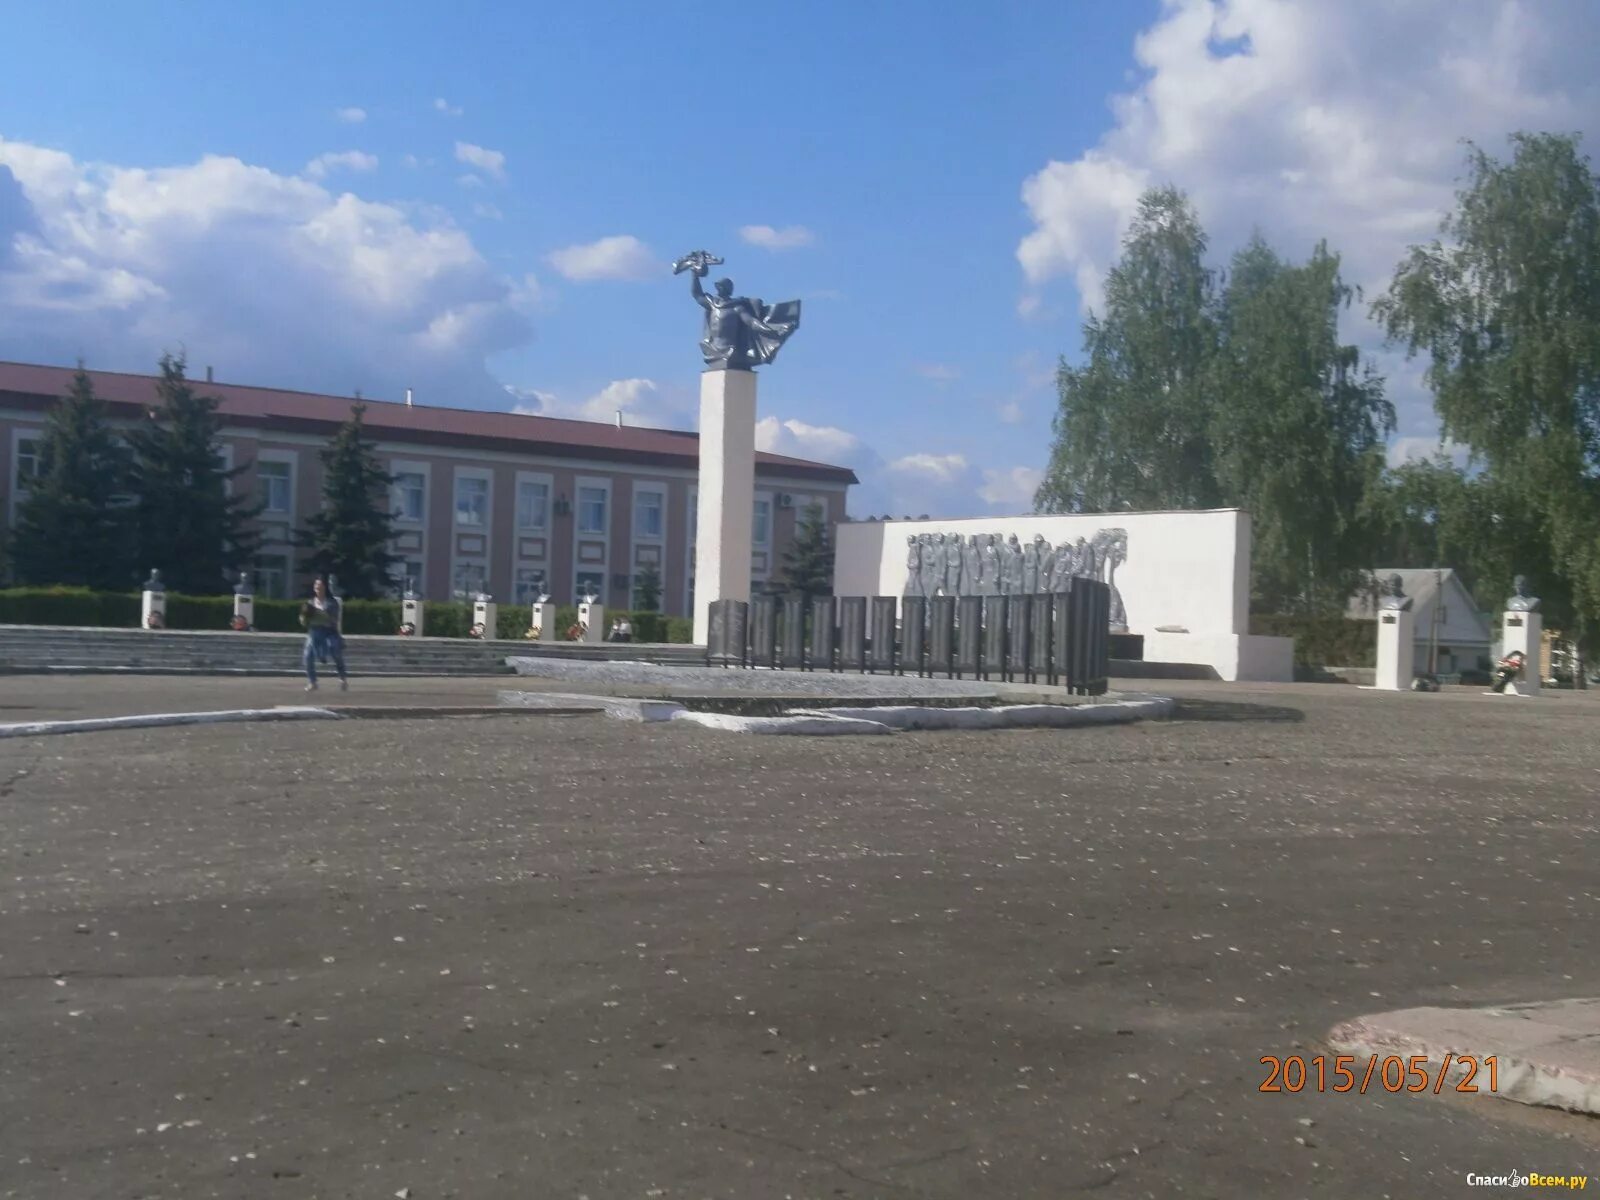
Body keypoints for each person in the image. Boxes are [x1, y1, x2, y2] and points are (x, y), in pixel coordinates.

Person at [299, 577, 348, 692]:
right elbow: (304, 620)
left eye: (320, 587)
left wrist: (320, 616)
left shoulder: (332, 603)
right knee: (307, 655)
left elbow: (333, 620)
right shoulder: (310, 603)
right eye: (316, 587)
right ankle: (312, 682)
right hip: (314, 632)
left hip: (329, 632)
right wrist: (303, 618)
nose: (318, 589)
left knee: (335, 651)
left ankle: (343, 678)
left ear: (325, 588)